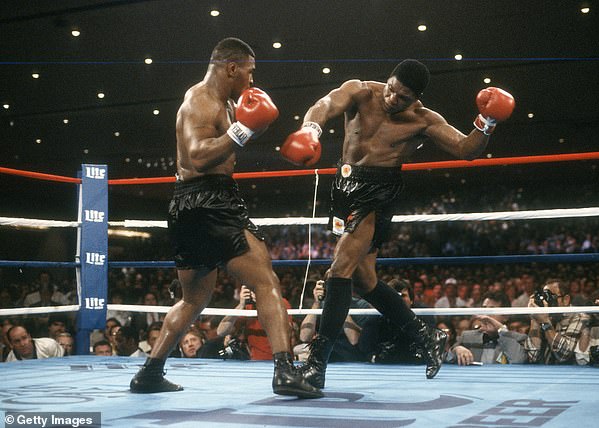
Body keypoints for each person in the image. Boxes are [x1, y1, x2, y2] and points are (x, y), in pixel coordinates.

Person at [281, 59, 515, 387]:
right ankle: (428, 337)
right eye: (391, 89)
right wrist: (311, 129)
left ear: (415, 98)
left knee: (339, 271)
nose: (393, 98)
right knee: (363, 281)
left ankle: (317, 366)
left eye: (403, 97)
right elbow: (324, 104)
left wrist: (487, 122)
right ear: (387, 80)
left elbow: (466, 149)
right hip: (344, 184)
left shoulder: (422, 119)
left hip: (377, 193)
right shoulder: (360, 91)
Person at [129, 37, 321, 398]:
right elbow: (200, 156)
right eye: (249, 71)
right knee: (265, 282)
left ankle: (149, 373)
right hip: (210, 201)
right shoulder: (200, 100)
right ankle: (285, 371)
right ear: (231, 68)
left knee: (193, 299)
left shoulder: (224, 102)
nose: (251, 80)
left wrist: (250, 130)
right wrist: (246, 130)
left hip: (189, 204)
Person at [450, 291, 527, 365]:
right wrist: (456, 350)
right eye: (484, 309)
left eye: (491, 309)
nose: (485, 315)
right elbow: (446, 357)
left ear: (505, 316)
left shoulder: (518, 338)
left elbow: (518, 361)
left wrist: (502, 330)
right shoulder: (468, 337)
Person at [524, 278, 588, 364]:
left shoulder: (579, 317)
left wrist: (546, 323)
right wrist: (534, 319)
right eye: (545, 296)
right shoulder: (544, 316)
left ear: (566, 300)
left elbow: (563, 355)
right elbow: (532, 356)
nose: (546, 301)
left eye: (551, 296)